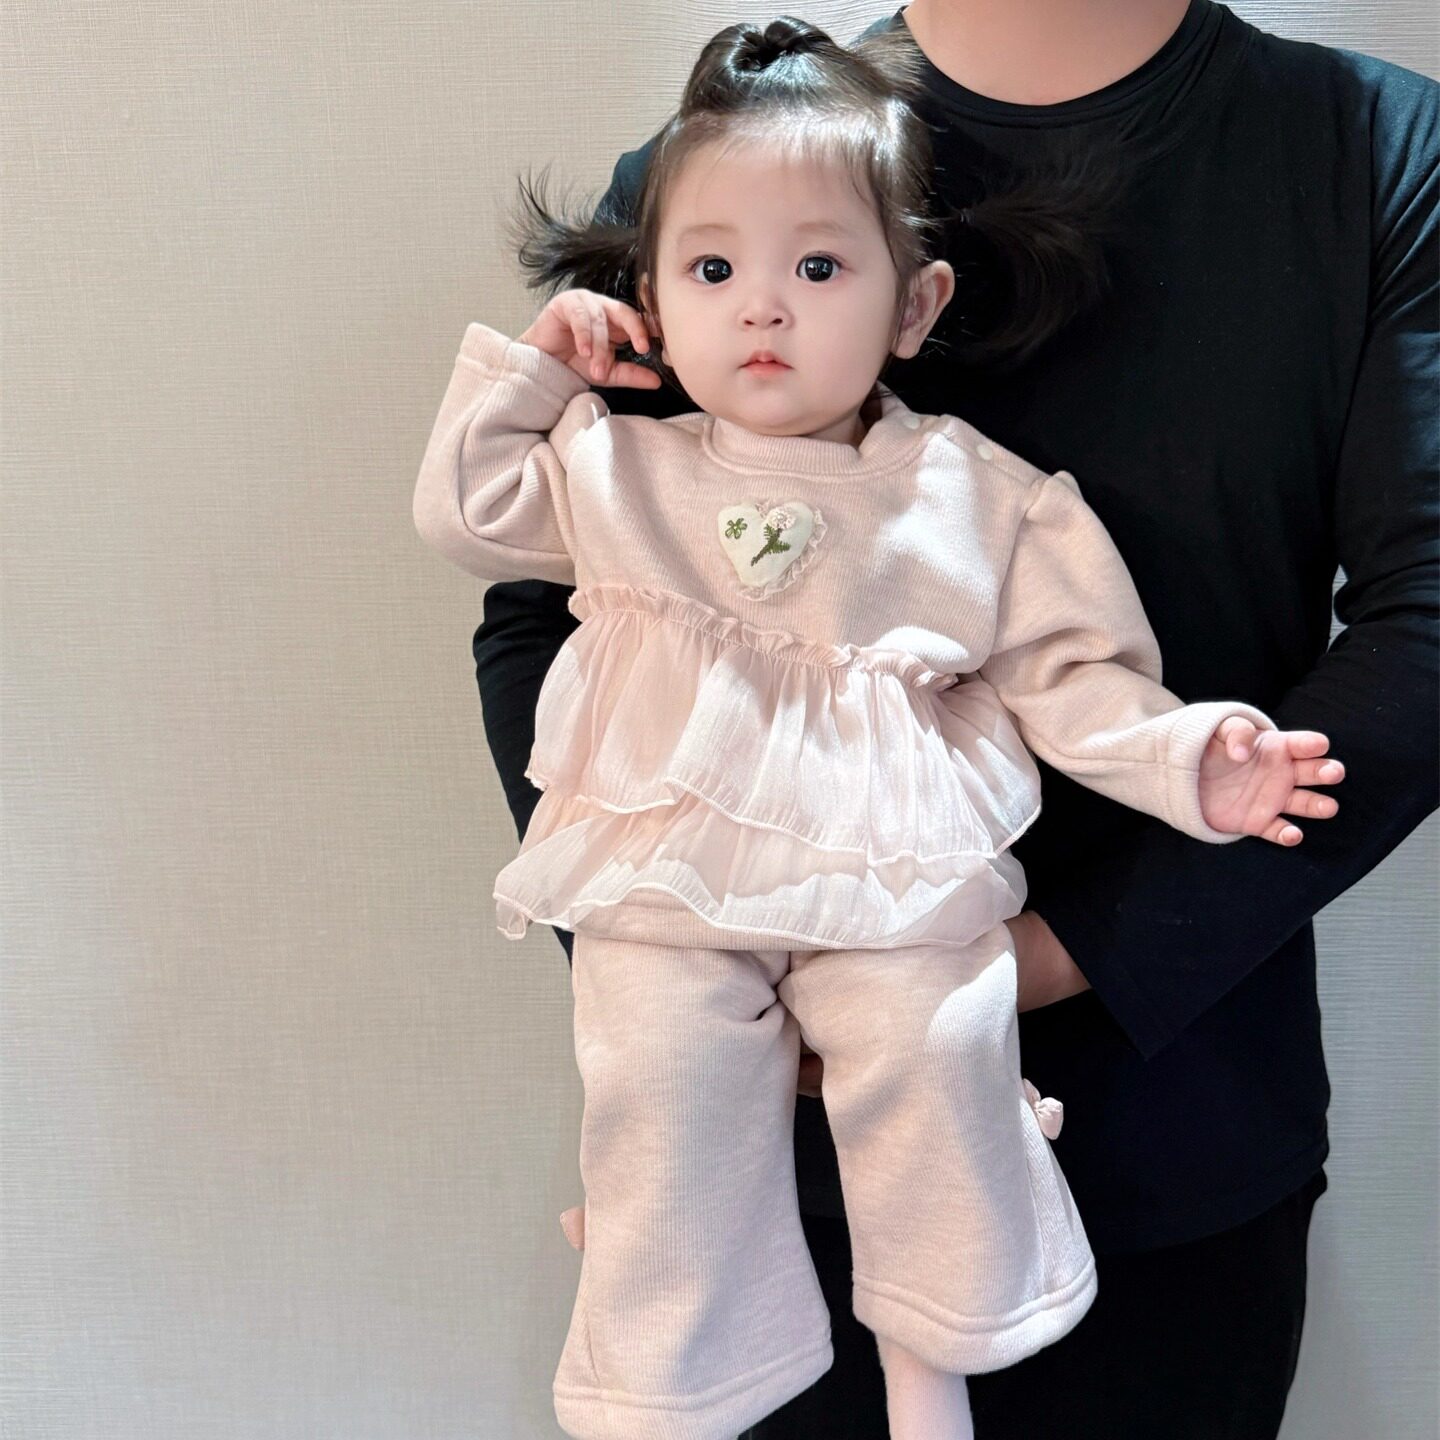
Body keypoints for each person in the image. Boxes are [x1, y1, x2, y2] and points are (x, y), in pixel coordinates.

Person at [464, 4, 1438, 1437]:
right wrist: (696, 949)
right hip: (745, 1154)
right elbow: (546, 610)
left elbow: (1422, 632)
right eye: (721, 272)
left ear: (914, 301)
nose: (764, 297)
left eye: (821, 268)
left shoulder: (1371, 154)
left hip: (1181, 1121)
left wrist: (1037, 958)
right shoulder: (732, 155)